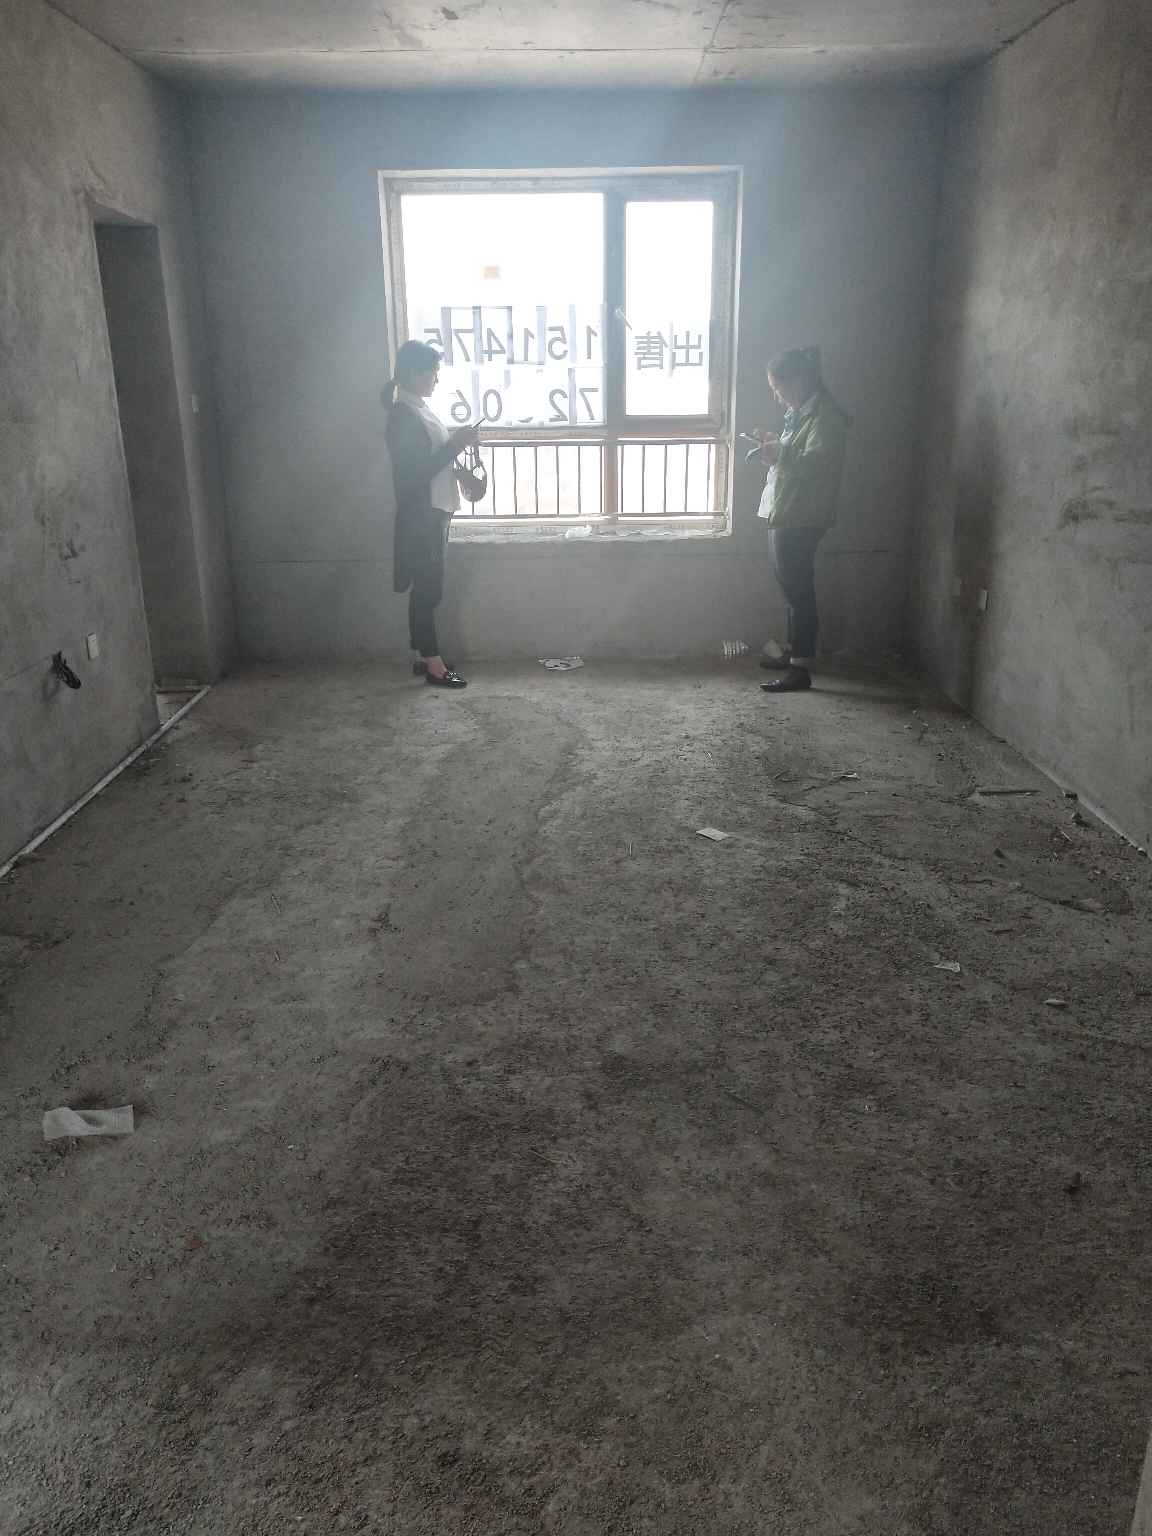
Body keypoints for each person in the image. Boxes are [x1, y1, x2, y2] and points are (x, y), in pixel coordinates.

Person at [748, 346, 850, 694]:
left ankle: (800, 668)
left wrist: (781, 452)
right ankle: (794, 655)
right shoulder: (802, 414)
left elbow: (817, 464)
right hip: (788, 509)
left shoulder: (826, 418)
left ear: (800, 381)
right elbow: (797, 456)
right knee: (791, 589)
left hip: (802, 514)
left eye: (779, 389)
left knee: (799, 592)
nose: (778, 398)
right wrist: (775, 446)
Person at [383, 340, 479, 689]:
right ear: (413, 374)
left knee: (426, 588)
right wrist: (455, 445)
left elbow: (430, 461)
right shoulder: (402, 415)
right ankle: (435, 666)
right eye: (432, 372)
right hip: (423, 514)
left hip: (434, 510)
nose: (437, 379)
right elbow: (416, 473)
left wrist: (456, 446)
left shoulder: (418, 409)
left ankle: (425, 657)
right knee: (428, 590)